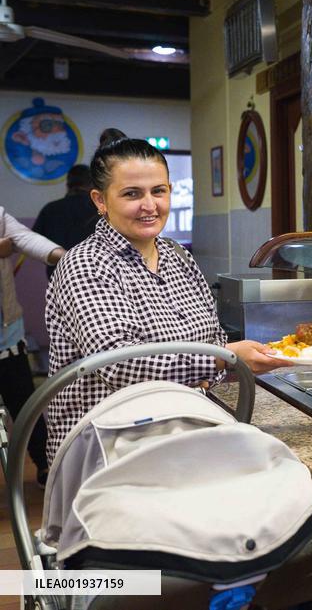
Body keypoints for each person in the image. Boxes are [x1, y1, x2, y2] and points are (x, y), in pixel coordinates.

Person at [45, 129, 292, 465]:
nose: (150, 206)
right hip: (105, 444)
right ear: (100, 200)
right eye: (132, 194)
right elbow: (119, 365)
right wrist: (222, 359)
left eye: (158, 191)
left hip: (177, 426)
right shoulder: (86, 264)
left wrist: (224, 361)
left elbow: (212, 338)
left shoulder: (178, 256)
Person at [0, 207, 65, 485]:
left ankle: (43, 463)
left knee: (25, 402)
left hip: (6, 333)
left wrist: (69, 258)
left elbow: (27, 240)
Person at [32, 164, 99, 278]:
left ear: (67, 185)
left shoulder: (50, 209)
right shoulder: (99, 209)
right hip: (94, 272)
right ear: (91, 184)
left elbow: (36, 244)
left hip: (59, 273)